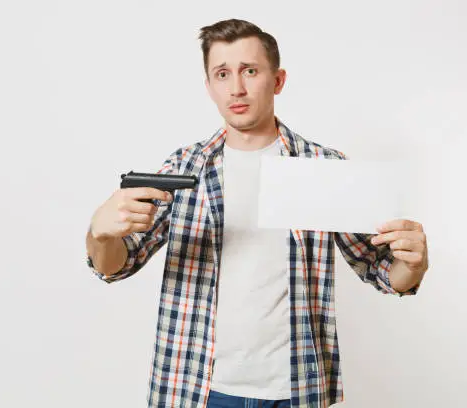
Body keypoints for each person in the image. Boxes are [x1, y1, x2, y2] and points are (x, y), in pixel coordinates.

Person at [85, 18, 429, 408]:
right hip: (199, 389)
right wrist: (101, 236)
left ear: (277, 80)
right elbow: (115, 265)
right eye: (222, 74)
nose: (237, 88)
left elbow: (382, 271)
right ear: (209, 86)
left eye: (250, 71)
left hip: (295, 391)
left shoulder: (323, 168)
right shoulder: (183, 168)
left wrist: (412, 265)